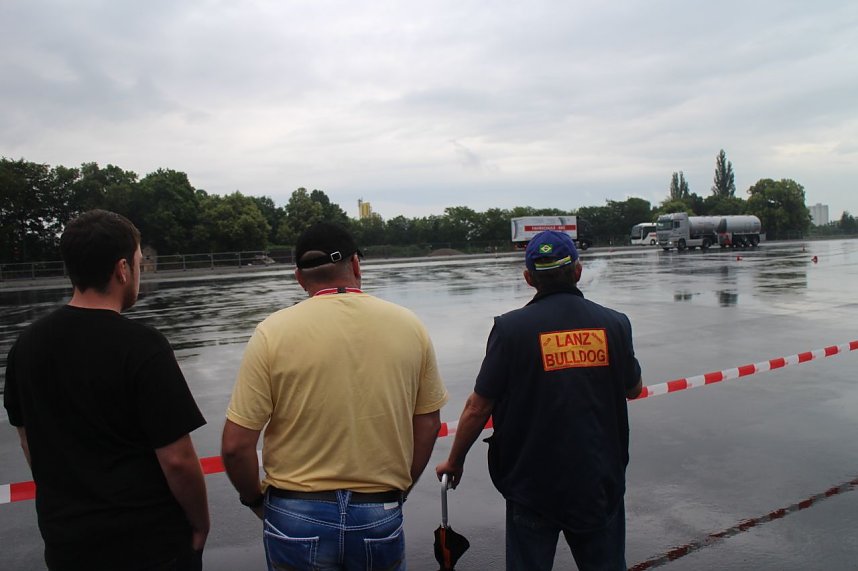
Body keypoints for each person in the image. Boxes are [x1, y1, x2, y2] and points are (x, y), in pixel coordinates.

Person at [221, 221, 448, 571]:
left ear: (299, 278)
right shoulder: (409, 325)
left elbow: (236, 446)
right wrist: (399, 490)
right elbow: (429, 424)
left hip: (294, 511)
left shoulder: (272, 333)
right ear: (356, 265)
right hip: (378, 508)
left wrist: (254, 500)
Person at [3, 209, 210, 570]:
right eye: (139, 263)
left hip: (68, 545)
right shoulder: (143, 346)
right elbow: (177, 460)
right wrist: (200, 523)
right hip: (149, 545)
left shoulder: (25, 346)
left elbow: (28, 442)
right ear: (122, 269)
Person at [436, 230, 642, 571]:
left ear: (529, 278)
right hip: (598, 482)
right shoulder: (614, 324)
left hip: (532, 486)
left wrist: (454, 461)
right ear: (578, 271)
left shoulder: (510, 330)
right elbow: (633, 389)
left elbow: (478, 406)